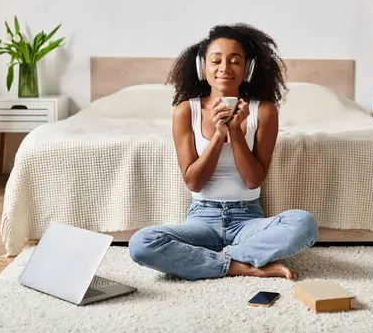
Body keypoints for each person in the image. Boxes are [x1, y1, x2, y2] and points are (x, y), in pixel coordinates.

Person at [128, 23, 318, 281]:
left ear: (247, 68)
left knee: (304, 225)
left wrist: (236, 132)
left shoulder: (264, 111)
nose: (224, 69)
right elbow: (194, 181)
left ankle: (210, 259)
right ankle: (238, 264)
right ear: (202, 66)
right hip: (202, 220)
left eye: (235, 62)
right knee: (142, 243)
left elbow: (253, 180)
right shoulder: (186, 111)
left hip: (247, 220)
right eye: (216, 60)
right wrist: (219, 135)